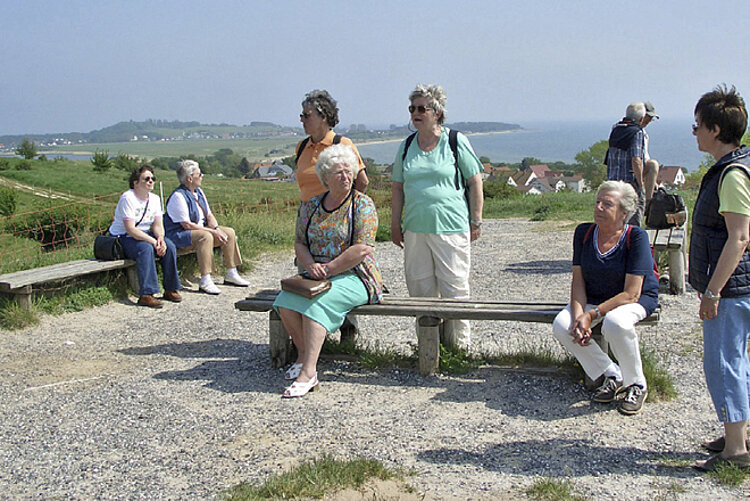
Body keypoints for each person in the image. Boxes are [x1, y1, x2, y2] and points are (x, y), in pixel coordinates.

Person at [273, 144, 383, 398]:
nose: (345, 177)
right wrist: (311, 264)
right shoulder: (311, 205)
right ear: (325, 178)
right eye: (338, 173)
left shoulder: (363, 205)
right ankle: (303, 356)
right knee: (284, 302)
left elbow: (363, 249)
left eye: (348, 171)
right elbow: (299, 242)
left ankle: (308, 372)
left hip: (355, 275)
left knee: (316, 304)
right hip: (317, 273)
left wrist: (330, 269)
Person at [552, 180, 658, 415]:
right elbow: (578, 280)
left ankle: (636, 384)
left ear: (624, 213)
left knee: (616, 323)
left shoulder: (636, 237)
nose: (598, 207)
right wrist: (580, 316)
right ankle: (612, 373)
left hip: (635, 299)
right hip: (595, 297)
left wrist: (592, 314)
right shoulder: (584, 232)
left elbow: (632, 293)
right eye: (597, 202)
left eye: (607, 204)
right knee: (562, 325)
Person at [390, 84, 484, 350]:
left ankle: (459, 349)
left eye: (422, 108)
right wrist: (395, 224)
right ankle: (429, 348)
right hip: (415, 228)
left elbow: (475, 181)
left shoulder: (455, 141)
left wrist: (476, 220)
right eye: (412, 108)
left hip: (451, 227)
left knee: (454, 288)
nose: (416, 113)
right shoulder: (407, 146)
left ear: (437, 112)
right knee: (420, 289)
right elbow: (398, 186)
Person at [689, 85, 750, 471]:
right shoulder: (741, 165)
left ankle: (736, 452)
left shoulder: (731, 174)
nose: (694, 132)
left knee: (724, 364)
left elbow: (739, 237)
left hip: (731, 289)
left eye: (697, 125)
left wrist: (713, 291)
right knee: (738, 362)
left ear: (714, 129)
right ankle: (737, 434)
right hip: (741, 285)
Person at [295, 89, 368, 341]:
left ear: (323, 116)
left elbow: (361, 181)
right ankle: (315, 339)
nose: (302, 119)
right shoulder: (302, 146)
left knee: (341, 278)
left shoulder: (342, 145)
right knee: (309, 280)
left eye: (307, 114)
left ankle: (347, 338)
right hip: (309, 223)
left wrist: (346, 211)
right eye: (301, 114)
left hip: (338, 223)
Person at [164, 159, 250, 295]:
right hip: (179, 234)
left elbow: (209, 215)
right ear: (189, 178)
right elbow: (187, 225)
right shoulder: (178, 196)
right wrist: (212, 232)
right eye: (199, 174)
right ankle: (205, 279)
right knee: (205, 236)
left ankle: (231, 272)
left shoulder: (199, 193)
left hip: (198, 230)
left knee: (229, 232)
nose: (202, 176)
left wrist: (217, 229)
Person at [108, 165, 182, 308]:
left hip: (146, 234)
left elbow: (157, 224)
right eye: (146, 179)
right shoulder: (127, 198)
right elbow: (130, 230)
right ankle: (147, 294)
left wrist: (160, 238)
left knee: (170, 246)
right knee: (145, 248)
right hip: (123, 237)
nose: (150, 181)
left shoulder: (154, 199)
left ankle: (171, 288)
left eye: (152, 179)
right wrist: (153, 242)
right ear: (135, 182)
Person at [605, 102, 659, 226]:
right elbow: (637, 160)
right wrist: (640, 185)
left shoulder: (616, 128)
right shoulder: (637, 132)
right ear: (641, 118)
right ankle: (646, 206)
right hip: (629, 179)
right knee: (635, 213)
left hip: (613, 178)